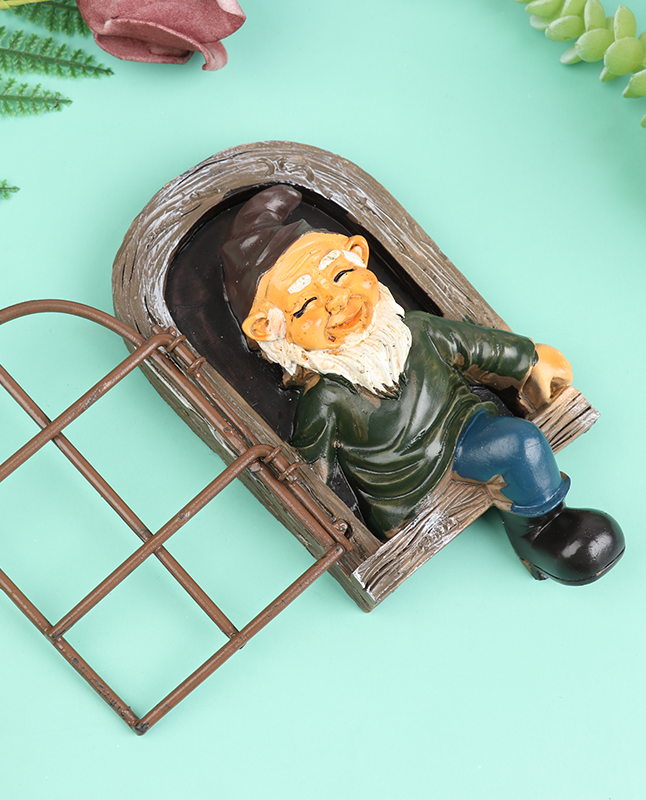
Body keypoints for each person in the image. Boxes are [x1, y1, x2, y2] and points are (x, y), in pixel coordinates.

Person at [221, 185, 624, 585]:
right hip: (403, 496)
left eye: (341, 275)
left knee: (523, 442)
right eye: (306, 304)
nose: (337, 301)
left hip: (467, 435)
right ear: (267, 329)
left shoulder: (417, 331)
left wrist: (530, 360)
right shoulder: (326, 396)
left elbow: (479, 348)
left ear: (358, 255)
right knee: (515, 444)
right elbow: (314, 468)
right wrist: (326, 516)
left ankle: (539, 529)